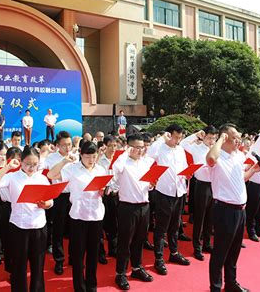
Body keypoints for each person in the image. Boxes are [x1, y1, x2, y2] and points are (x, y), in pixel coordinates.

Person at [0, 146, 53, 292]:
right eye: (28, 164)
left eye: (35, 164)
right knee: (19, 266)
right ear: (21, 162)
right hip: (19, 227)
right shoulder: (12, 177)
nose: (31, 168)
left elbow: (50, 200)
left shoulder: (42, 178)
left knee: (38, 266)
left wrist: (46, 204)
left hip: (38, 226)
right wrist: (7, 167)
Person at [48, 141, 106, 292]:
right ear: (81, 155)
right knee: (78, 255)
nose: (91, 159)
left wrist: (103, 190)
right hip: (78, 216)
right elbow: (51, 174)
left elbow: (104, 188)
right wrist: (64, 161)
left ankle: (92, 285)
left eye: (94, 156)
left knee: (93, 254)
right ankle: (79, 287)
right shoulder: (72, 169)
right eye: (88, 156)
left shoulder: (100, 169)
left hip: (96, 215)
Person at [206, 123, 258, 292]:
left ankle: (231, 283)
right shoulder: (218, 155)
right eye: (234, 137)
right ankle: (215, 286)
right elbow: (210, 159)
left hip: (240, 209)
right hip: (224, 210)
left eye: (238, 137)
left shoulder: (237, 155)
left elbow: (241, 178)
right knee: (220, 251)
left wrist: (253, 171)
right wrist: (220, 138)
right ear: (225, 137)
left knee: (234, 251)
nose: (238, 140)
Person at [147, 124, 190, 276]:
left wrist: (187, 174)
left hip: (179, 191)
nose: (177, 140)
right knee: (161, 228)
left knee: (175, 225)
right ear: (169, 135)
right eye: (175, 137)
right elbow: (149, 155)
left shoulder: (180, 150)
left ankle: (174, 252)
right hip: (164, 192)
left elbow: (184, 167)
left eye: (180, 137)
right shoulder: (159, 148)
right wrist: (161, 140)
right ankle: (158, 259)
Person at [113, 134, 155, 290]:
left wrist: (151, 184)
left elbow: (148, 184)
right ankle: (120, 273)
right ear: (129, 147)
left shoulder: (145, 163)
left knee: (140, 239)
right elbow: (114, 172)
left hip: (144, 205)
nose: (140, 150)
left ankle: (136, 268)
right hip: (127, 207)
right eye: (136, 147)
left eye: (142, 147)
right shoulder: (122, 163)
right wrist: (125, 153)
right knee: (125, 242)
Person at [180, 126, 218, 260]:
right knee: (200, 218)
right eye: (209, 138)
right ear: (204, 136)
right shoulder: (196, 148)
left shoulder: (216, 150)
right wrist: (196, 135)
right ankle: (197, 246)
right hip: (201, 186)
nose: (212, 141)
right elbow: (183, 144)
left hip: (215, 185)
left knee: (210, 217)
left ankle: (207, 243)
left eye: (214, 138)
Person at [43, 131, 75, 275]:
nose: (67, 148)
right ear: (57, 146)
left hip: (74, 195)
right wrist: (64, 161)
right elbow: (50, 176)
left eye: (69, 144)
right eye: (64, 145)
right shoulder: (51, 158)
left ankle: (74, 257)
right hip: (58, 196)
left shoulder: (76, 157)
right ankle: (59, 260)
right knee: (58, 230)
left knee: (75, 228)